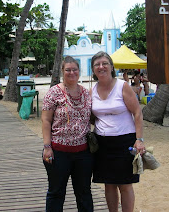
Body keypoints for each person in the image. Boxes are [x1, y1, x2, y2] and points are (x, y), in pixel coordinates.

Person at [90, 51, 145, 212]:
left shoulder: (122, 86)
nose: (101, 67)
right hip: (102, 143)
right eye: (97, 64)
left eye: (105, 63)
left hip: (125, 141)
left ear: (112, 67)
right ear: (93, 69)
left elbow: (137, 112)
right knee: (109, 184)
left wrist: (139, 139)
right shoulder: (92, 90)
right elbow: (92, 117)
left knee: (125, 184)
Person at [41, 56, 93, 211]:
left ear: (79, 71)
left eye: (75, 69)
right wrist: (47, 146)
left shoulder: (86, 93)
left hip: (83, 153)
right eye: (68, 70)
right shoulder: (53, 93)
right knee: (56, 192)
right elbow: (46, 121)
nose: (72, 72)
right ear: (62, 71)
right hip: (58, 152)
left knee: (84, 193)